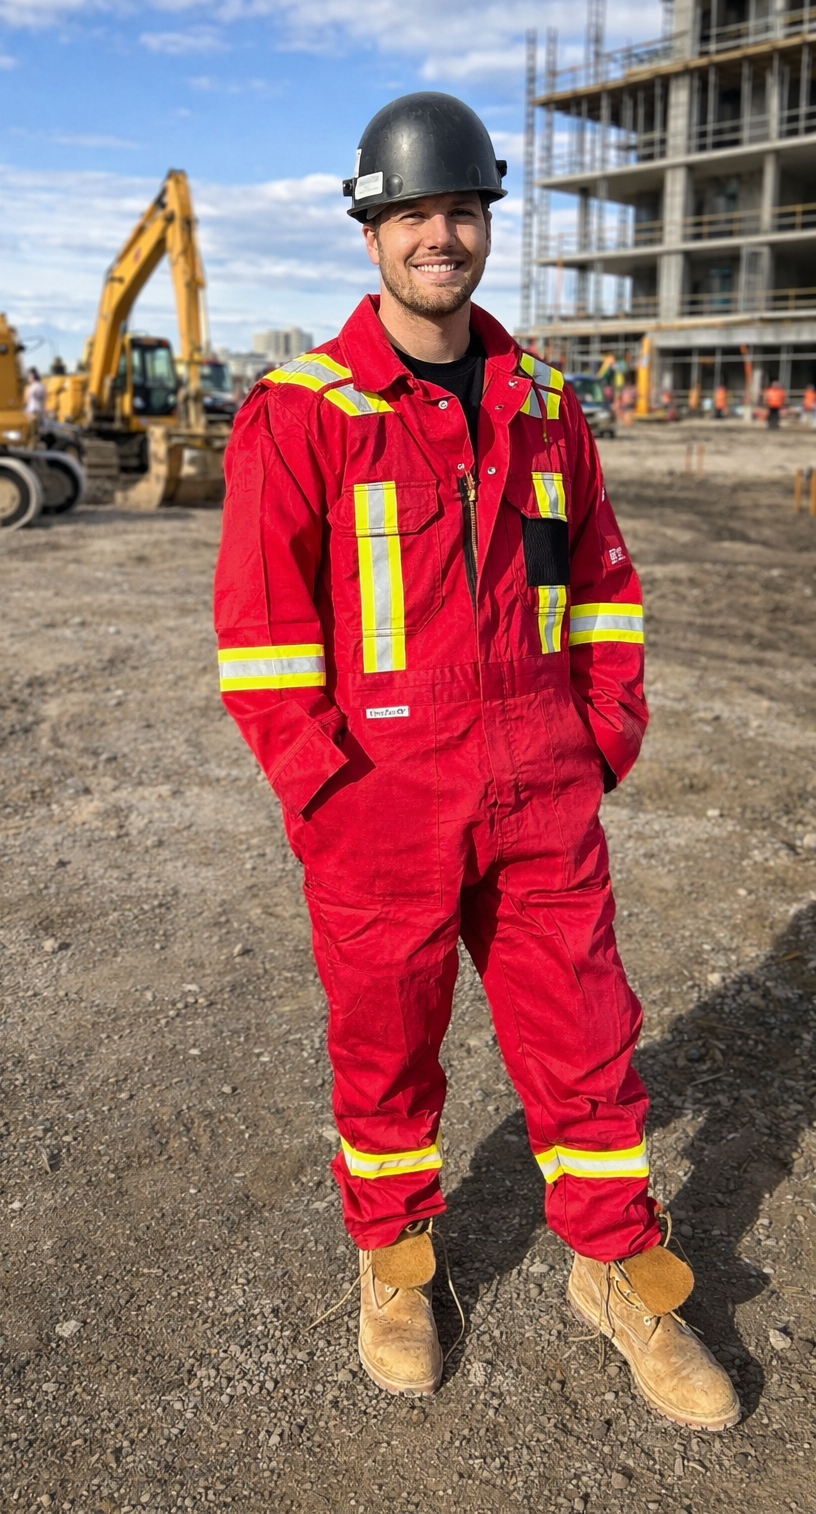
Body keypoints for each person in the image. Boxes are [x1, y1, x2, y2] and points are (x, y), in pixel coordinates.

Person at [213, 91, 739, 1429]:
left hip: (542, 789)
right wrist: (333, 796)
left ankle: (619, 1273)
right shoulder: (301, 413)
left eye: (461, 211)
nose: (439, 236)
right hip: (382, 810)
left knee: (590, 1048)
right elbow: (265, 642)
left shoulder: (550, 404)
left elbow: (607, 590)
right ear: (370, 231)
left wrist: (600, 732)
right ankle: (396, 1267)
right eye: (411, 214)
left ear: (486, 221)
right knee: (385, 1060)